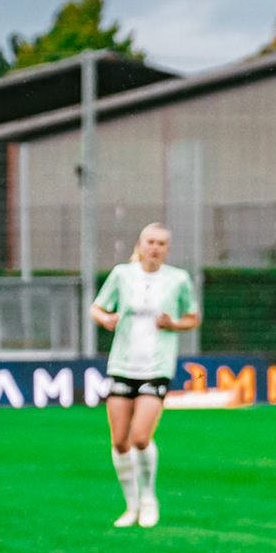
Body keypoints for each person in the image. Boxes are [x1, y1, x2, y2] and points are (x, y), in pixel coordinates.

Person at [90, 223, 201, 526]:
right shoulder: (122, 275)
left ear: (167, 249)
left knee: (140, 437)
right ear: (140, 244)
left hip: (157, 367)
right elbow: (97, 307)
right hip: (122, 366)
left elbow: (193, 317)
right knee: (119, 442)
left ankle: (149, 498)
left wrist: (174, 324)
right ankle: (131, 506)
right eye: (150, 241)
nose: (155, 247)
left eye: (162, 243)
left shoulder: (178, 279)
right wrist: (106, 319)